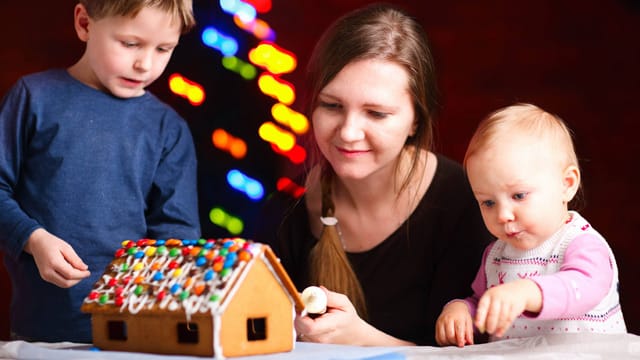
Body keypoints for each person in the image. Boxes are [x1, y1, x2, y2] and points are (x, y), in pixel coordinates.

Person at [254, 3, 493, 346]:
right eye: (332, 106)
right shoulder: (284, 212)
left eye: (377, 113)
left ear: (415, 120)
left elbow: (476, 356)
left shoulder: (465, 204)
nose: (348, 132)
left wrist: (361, 338)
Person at [0, 0, 201, 343]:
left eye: (164, 49)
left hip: (133, 335)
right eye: (130, 44)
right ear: (84, 23)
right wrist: (33, 238)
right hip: (39, 331)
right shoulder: (34, 98)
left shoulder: (169, 128)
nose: (144, 64)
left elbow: (177, 235)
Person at [435, 103, 627, 347]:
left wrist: (526, 292)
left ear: (567, 184)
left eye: (519, 196)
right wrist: (462, 311)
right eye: (488, 202)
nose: (503, 215)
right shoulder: (496, 257)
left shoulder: (580, 243)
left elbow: (583, 287)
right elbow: (486, 303)